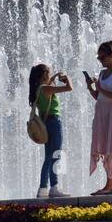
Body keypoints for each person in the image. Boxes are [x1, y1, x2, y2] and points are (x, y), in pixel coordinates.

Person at [86, 41, 112, 195]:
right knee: (105, 148)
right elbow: (99, 96)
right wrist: (91, 88)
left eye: (103, 57)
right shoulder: (103, 73)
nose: (101, 60)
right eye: (99, 58)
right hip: (102, 112)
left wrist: (100, 88)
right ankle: (109, 185)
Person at [29, 63, 72, 198]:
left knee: (49, 156)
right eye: (49, 73)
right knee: (55, 155)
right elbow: (69, 88)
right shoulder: (46, 89)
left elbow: (49, 85)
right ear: (44, 76)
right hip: (54, 122)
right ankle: (48, 187)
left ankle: (47, 188)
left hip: (46, 123)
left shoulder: (38, 89)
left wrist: (55, 76)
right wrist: (67, 78)